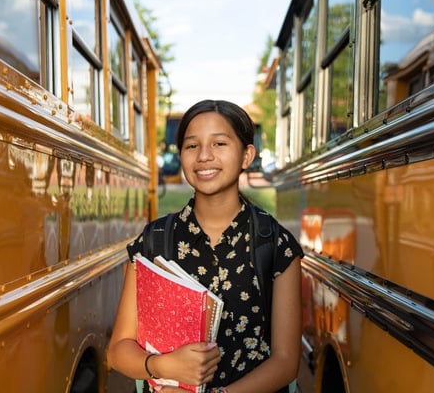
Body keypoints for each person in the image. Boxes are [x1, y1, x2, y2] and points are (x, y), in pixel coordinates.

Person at [107, 99, 303, 393]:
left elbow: (286, 362)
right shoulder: (154, 240)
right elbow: (118, 351)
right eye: (192, 146)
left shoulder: (274, 243)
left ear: (246, 155)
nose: (204, 156)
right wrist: (162, 365)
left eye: (220, 144)